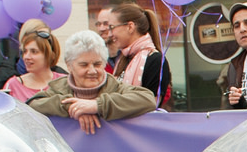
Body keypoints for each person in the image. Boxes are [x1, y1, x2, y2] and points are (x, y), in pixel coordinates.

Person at [26, 29, 158, 130]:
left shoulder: (116, 87)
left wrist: (97, 106)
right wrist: (75, 107)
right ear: (69, 65)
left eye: (97, 64)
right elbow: (32, 104)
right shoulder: (58, 88)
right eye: (84, 65)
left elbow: (147, 99)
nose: (92, 71)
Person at [104, 2, 171, 108]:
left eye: (112, 27)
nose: (110, 34)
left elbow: (151, 103)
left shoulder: (155, 60)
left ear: (130, 27)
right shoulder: (123, 58)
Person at [3, 23, 61, 101]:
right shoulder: (13, 85)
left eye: (34, 52)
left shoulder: (65, 82)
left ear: (51, 55)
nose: (27, 57)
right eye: (25, 51)